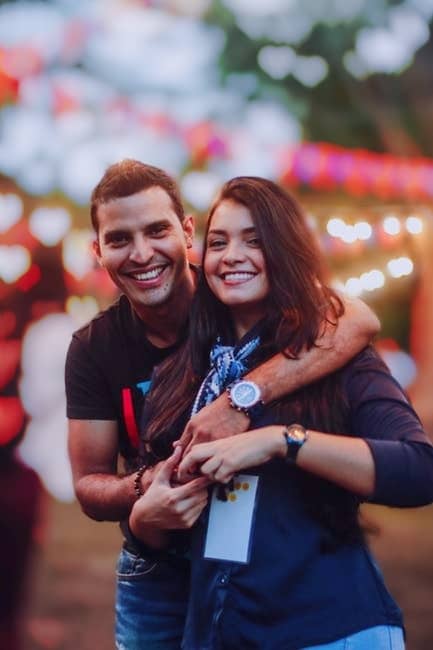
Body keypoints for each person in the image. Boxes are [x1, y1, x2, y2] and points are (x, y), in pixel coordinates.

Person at [65, 160, 380, 650]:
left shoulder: (232, 292)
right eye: (120, 239)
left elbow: (354, 318)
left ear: (187, 231)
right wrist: (149, 489)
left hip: (269, 562)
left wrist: (240, 398)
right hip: (159, 561)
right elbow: (87, 485)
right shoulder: (93, 348)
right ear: (98, 250)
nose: (142, 253)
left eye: (156, 230)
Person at [131, 176, 433, 650]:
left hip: (329, 631)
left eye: (255, 241)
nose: (232, 255)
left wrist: (282, 441)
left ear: (287, 252)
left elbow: (419, 471)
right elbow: (163, 510)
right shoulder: (184, 371)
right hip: (217, 633)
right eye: (219, 242)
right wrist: (145, 522)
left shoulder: (333, 357)